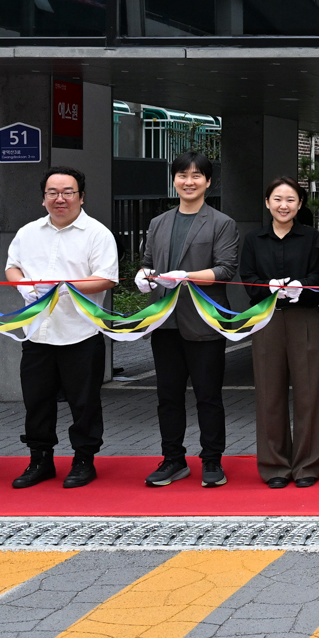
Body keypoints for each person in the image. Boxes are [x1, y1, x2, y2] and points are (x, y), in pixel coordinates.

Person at [3, 167, 120, 489]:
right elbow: (12, 267)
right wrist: (23, 287)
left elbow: (107, 277)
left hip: (80, 332)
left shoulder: (97, 234)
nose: (60, 198)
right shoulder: (28, 232)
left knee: (84, 402)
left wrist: (66, 288)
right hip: (38, 331)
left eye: (68, 192)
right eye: (52, 192)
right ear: (43, 199)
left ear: (81, 197)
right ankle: (40, 459)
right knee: (36, 400)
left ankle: (84, 459)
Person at [133, 151, 241, 489]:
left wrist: (188, 276)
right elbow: (148, 261)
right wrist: (143, 276)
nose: (188, 181)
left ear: (208, 181)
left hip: (204, 323)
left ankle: (211, 461)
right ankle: (173, 460)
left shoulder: (222, 222)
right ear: (175, 180)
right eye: (182, 175)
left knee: (208, 396)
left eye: (196, 176)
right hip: (163, 321)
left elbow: (226, 270)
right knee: (168, 396)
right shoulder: (159, 222)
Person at [241, 177, 319, 489]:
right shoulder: (254, 240)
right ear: (267, 203)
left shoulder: (312, 238)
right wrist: (268, 289)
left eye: (290, 199)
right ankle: (274, 464)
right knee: (269, 392)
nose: (283, 205)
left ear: (300, 204)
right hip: (267, 318)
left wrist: (300, 287)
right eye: (277, 199)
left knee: (309, 393)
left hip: (304, 317)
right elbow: (246, 276)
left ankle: (307, 465)